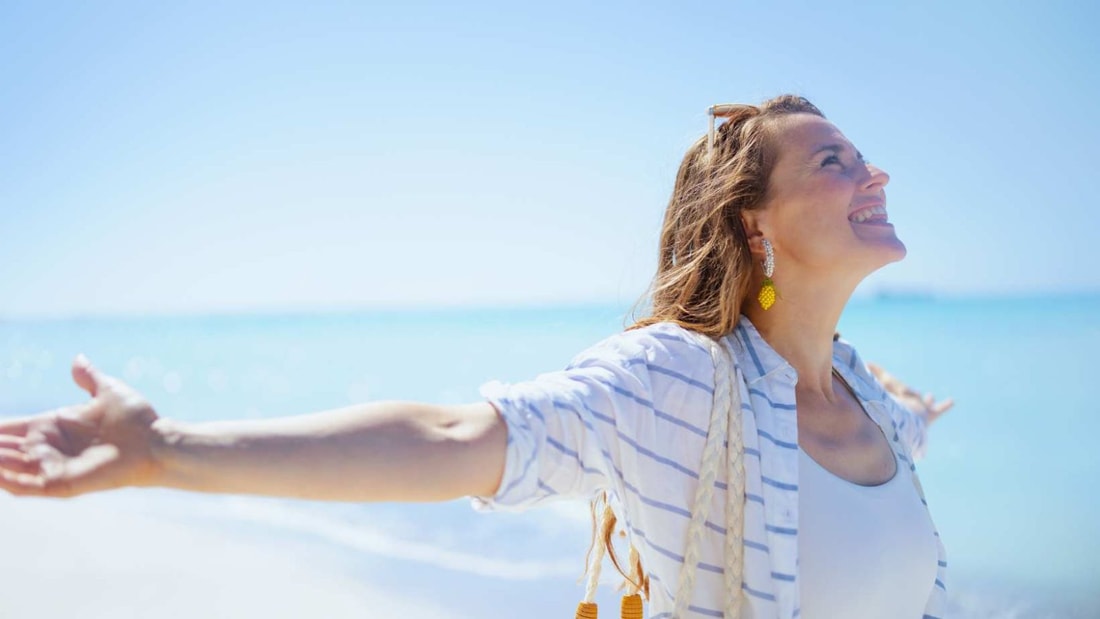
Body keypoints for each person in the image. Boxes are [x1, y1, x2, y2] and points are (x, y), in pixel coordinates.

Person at [0, 94, 953, 619]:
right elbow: (457, 434)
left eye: (864, 156)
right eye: (834, 162)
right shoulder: (684, 380)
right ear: (755, 227)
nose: (873, 174)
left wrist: (911, 407)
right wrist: (166, 448)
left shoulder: (868, 399)